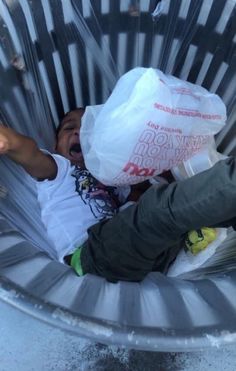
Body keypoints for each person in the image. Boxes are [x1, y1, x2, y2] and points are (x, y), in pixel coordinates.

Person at [0, 108, 235, 283]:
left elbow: (140, 206)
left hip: (145, 260)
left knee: (168, 201)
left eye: (88, 127)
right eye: (69, 128)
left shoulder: (115, 176)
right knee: (157, 210)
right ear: (55, 144)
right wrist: (8, 142)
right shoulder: (59, 171)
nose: (78, 131)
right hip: (93, 258)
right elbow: (27, 151)